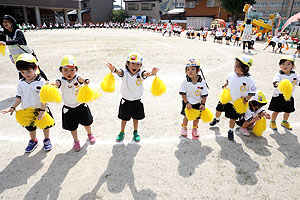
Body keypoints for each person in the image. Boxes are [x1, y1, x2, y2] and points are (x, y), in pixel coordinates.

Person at [1, 53, 53, 152]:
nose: (26, 74)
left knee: (45, 125)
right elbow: (19, 97)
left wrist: (42, 110)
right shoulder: (21, 82)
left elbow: (44, 98)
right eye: (22, 72)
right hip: (27, 110)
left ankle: (47, 139)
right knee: (30, 128)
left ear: (35, 68)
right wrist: (12, 107)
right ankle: (33, 141)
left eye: (28, 71)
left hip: (41, 108)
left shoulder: (42, 82)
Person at [106, 52, 159, 143]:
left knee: (136, 118)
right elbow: (119, 72)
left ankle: (135, 132)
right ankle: (122, 132)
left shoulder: (141, 73)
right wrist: (113, 69)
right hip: (125, 101)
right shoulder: (124, 72)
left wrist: (152, 73)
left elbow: (146, 74)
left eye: (138, 64)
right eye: (133, 63)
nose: (135, 66)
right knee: (124, 119)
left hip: (137, 101)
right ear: (127, 63)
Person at [53, 55, 96, 151]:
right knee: (72, 127)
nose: (69, 73)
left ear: (76, 70)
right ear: (61, 70)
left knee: (87, 123)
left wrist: (85, 80)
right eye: (65, 70)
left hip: (80, 105)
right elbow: (57, 83)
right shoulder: (61, 80)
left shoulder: (77, 78)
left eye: (72, 70)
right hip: (68, 108)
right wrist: (51, 84)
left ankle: (90, 134)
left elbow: (81, 79)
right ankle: (76, 140)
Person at [210, 55, 256, 141]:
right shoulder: (232, 74)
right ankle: (216, 119)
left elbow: (252, 92)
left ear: (245, 68)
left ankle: (230, 130)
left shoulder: (249, 80)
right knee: (218, 109)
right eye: (235, 64)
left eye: (238, 66)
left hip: (236, 103)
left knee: (233, 117)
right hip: (226, 98)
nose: (235, 67)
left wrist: (246, 99)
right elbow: (227, 80)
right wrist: (225, 84)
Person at [0, 15, 48, 80]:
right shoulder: (5, 34)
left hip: (27, 55)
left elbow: (19, 41)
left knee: (36, 71)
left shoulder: (18, 32)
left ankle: (46, 82)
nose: (4, 24)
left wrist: (6, 43)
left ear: (11, 23)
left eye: (6, 22)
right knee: (21, 72)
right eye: (3, 22)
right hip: (17, 58)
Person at [268, 55, 300, 131]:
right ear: (280, 65)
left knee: (288, 111)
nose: (285, 66)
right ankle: (272, 122)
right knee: (276, 111)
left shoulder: (294, 75)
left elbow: (298, 82)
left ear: (292, 65)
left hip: (289, 95)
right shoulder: (279, 74)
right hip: (279, 95)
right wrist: (279, 84)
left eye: (288, 64)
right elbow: (275, 82)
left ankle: (284, 122)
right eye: (283, 64)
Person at [179, 58, 209, 138]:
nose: (190, 71)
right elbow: (183, 93)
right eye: (188, 69)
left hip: (198, 103)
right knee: (186, 116)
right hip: (187, 102)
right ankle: (184, 127)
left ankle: (195, 128)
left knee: (196, 118)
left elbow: (204, 94)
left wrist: (203, 104)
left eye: (192, 69)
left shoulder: (202, 82)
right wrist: (186, 103)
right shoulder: (185, 82)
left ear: (198, 70)